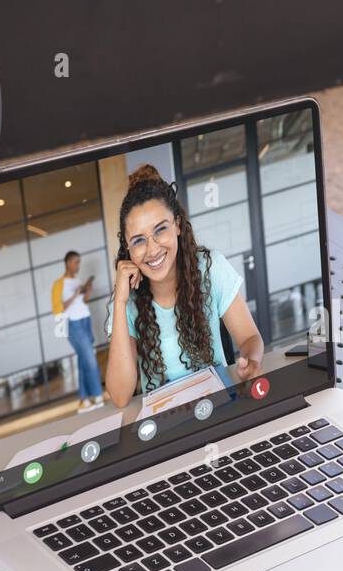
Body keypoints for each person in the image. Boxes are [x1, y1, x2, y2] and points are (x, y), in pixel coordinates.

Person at [105, 164, 264, 407]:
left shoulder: (210, 268)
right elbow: (120, 395)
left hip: (219, 407)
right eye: (138, 240)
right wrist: (120, 301)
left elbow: (250, 337)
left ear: (177, 225)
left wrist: (251, 361)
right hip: (164, 424)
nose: (153, 248)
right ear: (127, 249)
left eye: (161, 229)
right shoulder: (128, 298)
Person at [52, 250, 103, 412]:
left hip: (85, 320)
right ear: (68, 262)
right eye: (76, 262)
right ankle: (97, 394)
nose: (78, 265)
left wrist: (87, 291)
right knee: (90, 359)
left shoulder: (77, 280)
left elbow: (84, 301)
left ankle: (84, 400)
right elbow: (57, 308)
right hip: (73, 324)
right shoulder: (59, 284)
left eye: (79, 262)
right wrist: (74, 295)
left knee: (83, 360)